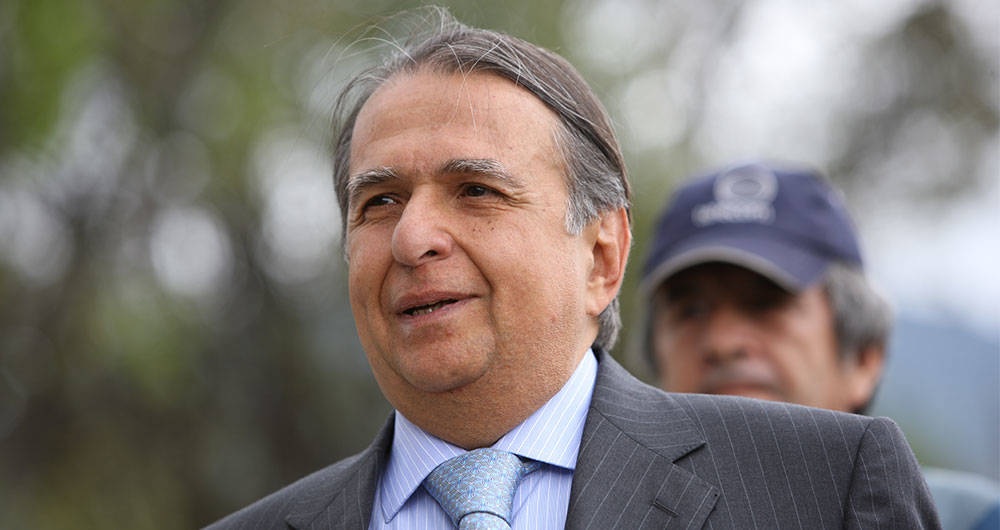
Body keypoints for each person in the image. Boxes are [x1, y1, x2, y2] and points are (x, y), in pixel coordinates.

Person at [206, 9, 940, 529]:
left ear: (602, 256)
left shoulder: (825, 490)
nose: (412, 237)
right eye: (379, 201)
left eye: (476, 191)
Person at [640, 160, 996, 530]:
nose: (722, 342)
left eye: (765, 304)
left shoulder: (973, 521)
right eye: (690, 310)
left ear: (863, 358)